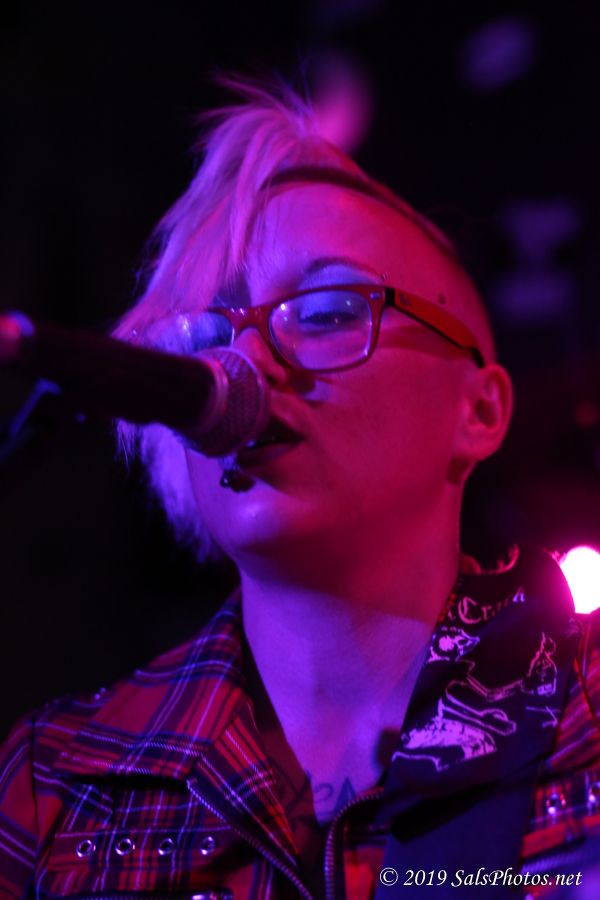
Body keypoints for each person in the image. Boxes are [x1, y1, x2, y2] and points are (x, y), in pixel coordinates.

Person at [1, 80, 599, 900]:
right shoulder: (54, 782)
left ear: (480, 411)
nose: (245, 363)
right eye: (206, 335)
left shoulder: (584, 716)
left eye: (326, 311)